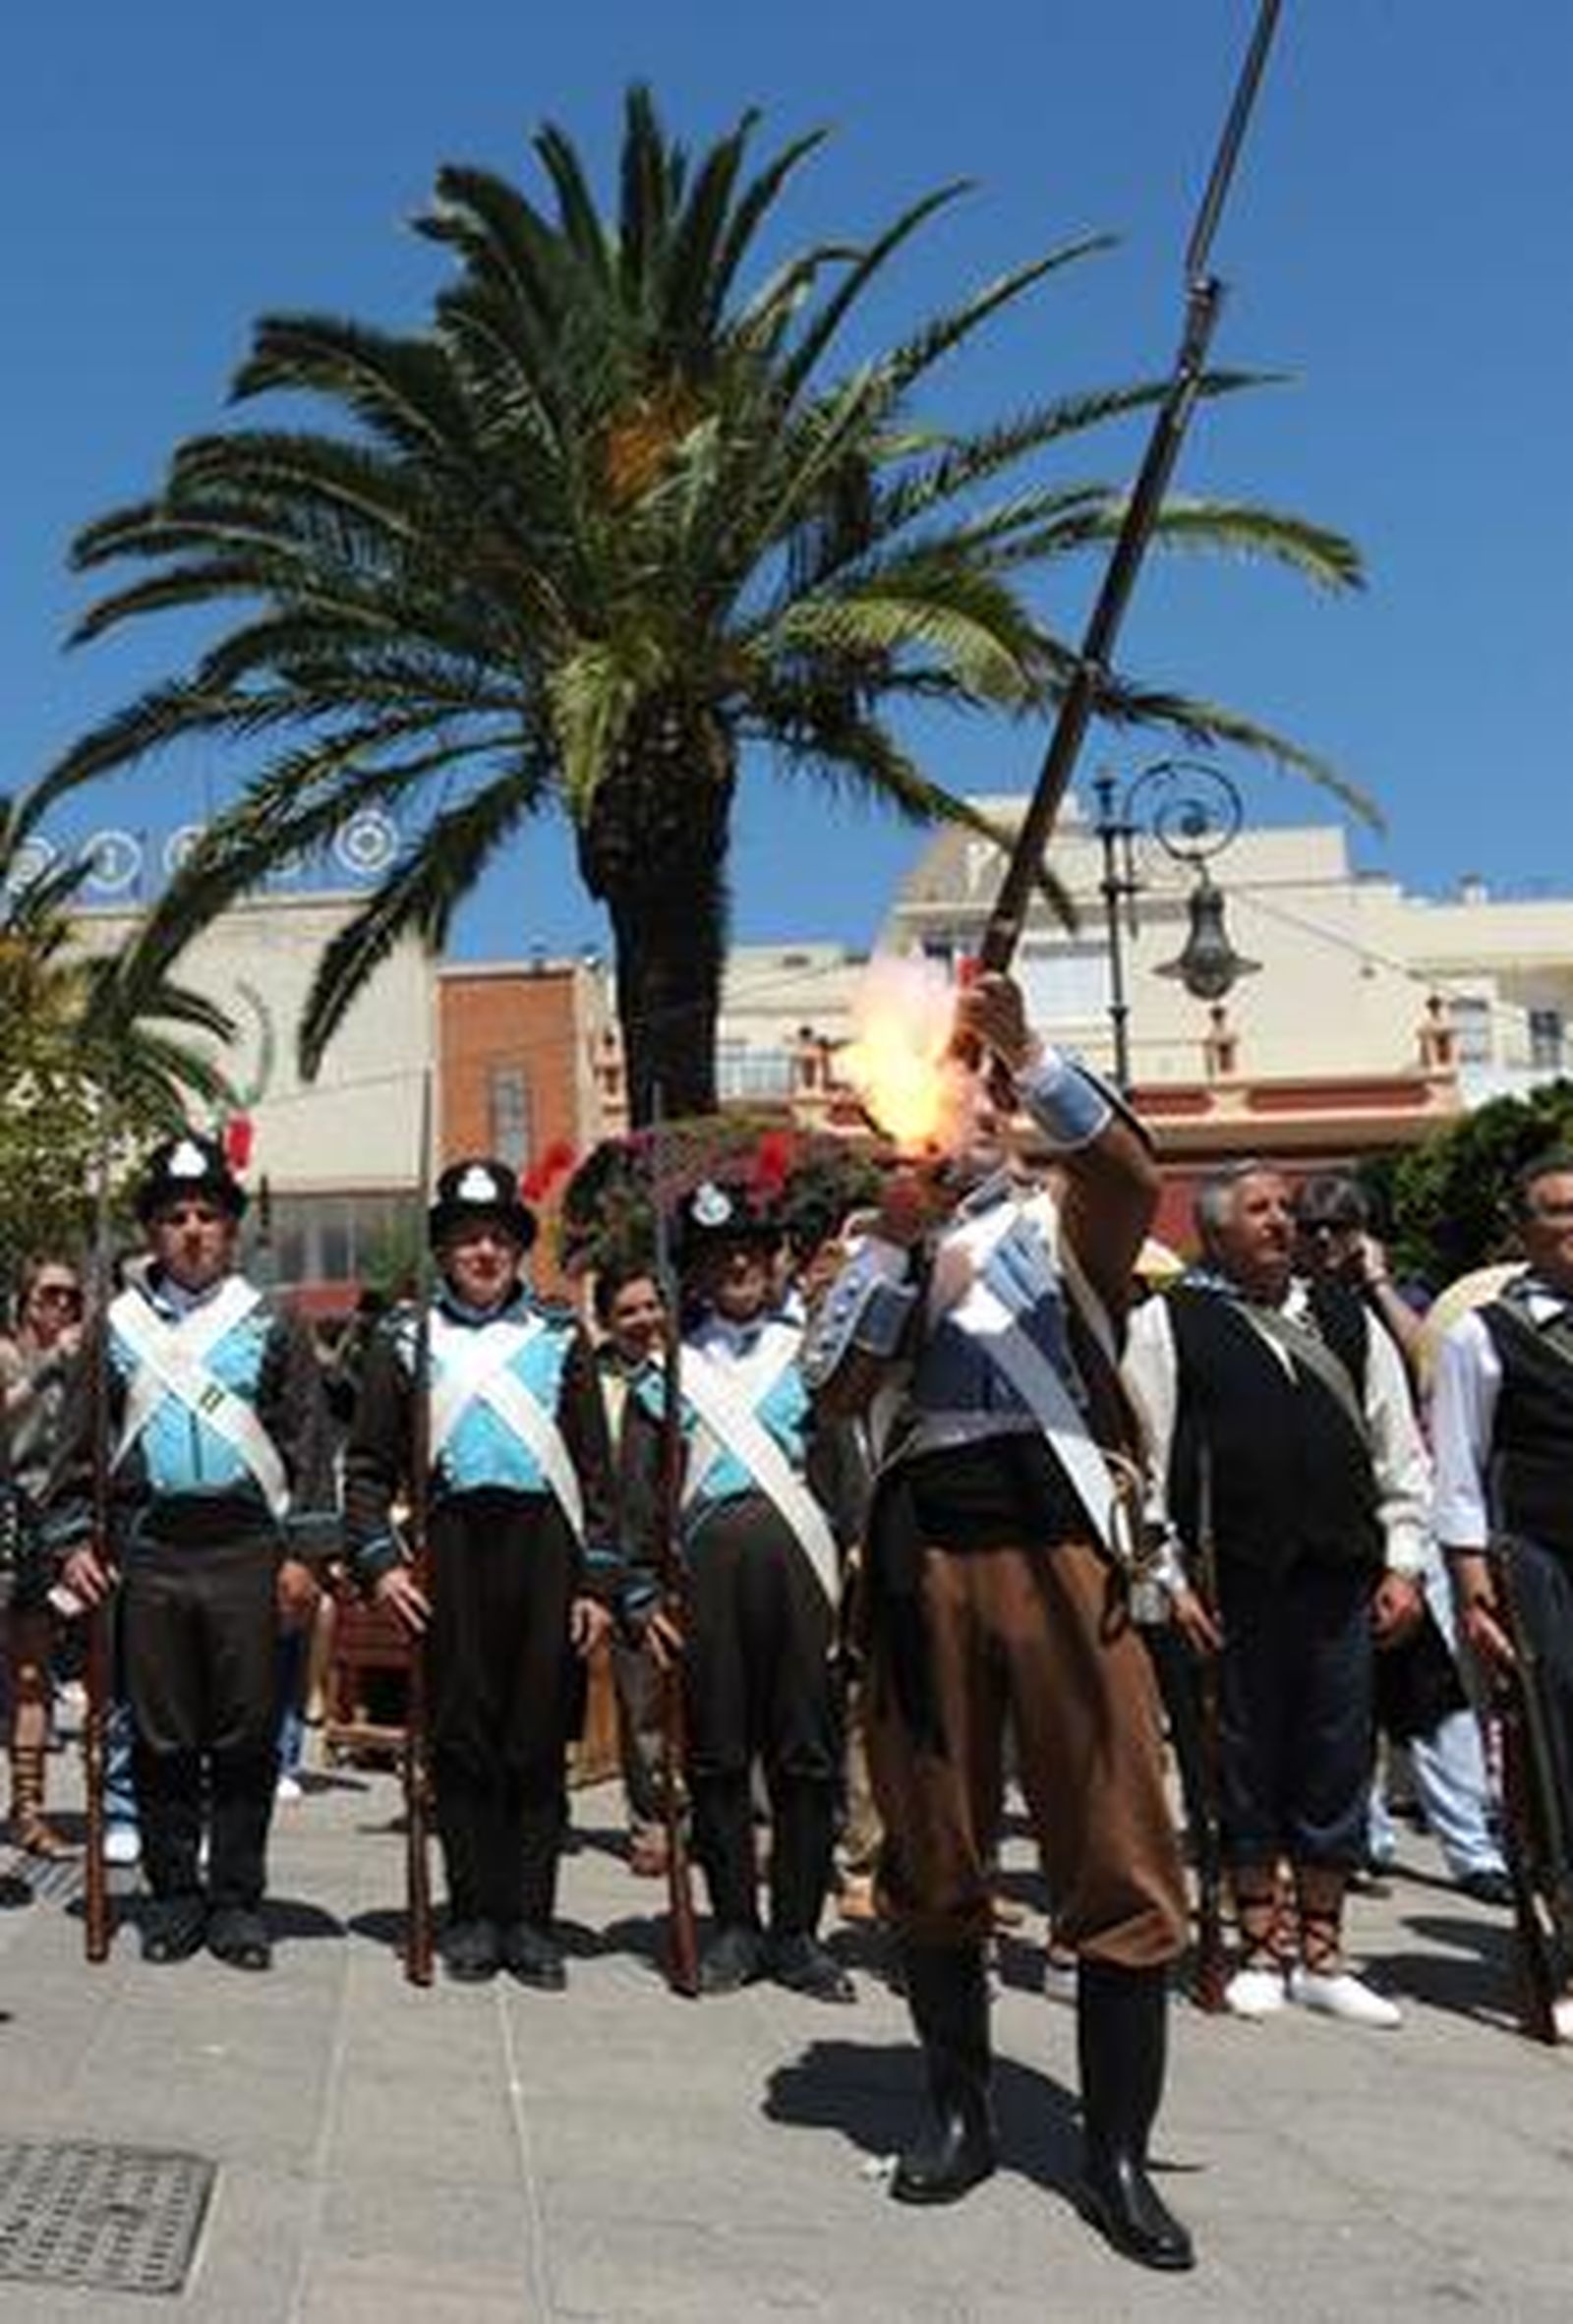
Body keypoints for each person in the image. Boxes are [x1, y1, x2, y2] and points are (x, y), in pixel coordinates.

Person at [804, 972, 1194, 2273]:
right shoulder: (877, 1243)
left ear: (1005, 1109)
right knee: (932, 1845)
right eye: (944, 1089)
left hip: (1068, 1550)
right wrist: (896, 1245)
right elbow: (835, 1388)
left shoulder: (1059, 1220)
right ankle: (960, 2115)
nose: (959, 1111)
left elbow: (1131, 1175)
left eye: (979, 1093)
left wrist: (1029, 1049)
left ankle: (1116, 2155)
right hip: (925, 1563)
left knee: (1119, 1849)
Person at [1126, 1160, 1429, 2031]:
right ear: (1215, 1232)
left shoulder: (1348, 1318)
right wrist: (1166, 1578)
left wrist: (1403, 1561)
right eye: (1258, 1210)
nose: (1280, 1223)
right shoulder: (1167, 1322)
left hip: (1340, 1580)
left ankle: (1323, 1954)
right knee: (1243, 1760)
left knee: (1337, 1759)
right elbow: (1145, 1463)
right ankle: (1259, 1944)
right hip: (1230, 1585)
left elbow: (1396, 1448)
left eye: (1285, 1209)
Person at [49, 1133, 334, 1969]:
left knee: (247, 1732)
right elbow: (78, 1450)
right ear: (152, 1232)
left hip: (247, 1544)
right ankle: (173, 1896)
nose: (193, 1231)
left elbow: (308, 1441)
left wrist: (306, 1556)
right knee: (162, 1734)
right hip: (151, 1548)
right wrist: (73, 1543)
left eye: (208, 1215)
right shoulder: (116, 1326)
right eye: (176, 1217)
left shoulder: (272, 1319)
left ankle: (238, 1900)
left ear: (232, 1229)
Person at [343, 1157, 614, 1989]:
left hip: (543, 1547)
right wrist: (382, 1565)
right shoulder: (405, 1339)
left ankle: (528, 1919)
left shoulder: (558, 1335)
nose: (485, 1253)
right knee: (460, 1739)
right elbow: (368, 1468)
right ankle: (470, 1914)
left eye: (499, 1237)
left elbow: (596, 1474)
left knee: (535, 1738)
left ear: (519, 1248)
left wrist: (597, 1583)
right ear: (443, 1252)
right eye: (468, 1240)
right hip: (450, 1546)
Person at [627, 1173, 854, 2004]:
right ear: (693, 1272)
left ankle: (797, 1932)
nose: (737, 1267)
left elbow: (845, 1473)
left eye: (750, 1251)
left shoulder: (815, 1359)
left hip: (804, 1578)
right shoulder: (665, 1375)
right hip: (708, 1582)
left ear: (775, 1258)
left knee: (807, 1758)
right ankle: (732, 1926)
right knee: (717, 1757)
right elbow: (638, 1496)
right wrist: (641, 1594)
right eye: (719, 1255)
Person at [1291, 1176, 1510, 1910]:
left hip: (1409, 1512)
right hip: (1328, 1522)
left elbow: (1429, 1365)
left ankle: (1471, 1846)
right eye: (1312, 1226)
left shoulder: (1404, 1297)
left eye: (1340, 1226)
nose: (1325, 1239)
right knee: (1344, 1697)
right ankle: (1363, 1836)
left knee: (1437, 1693)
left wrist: (1378, 1285)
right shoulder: (1286, 1305)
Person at [1430, 1148, 1573, 2036]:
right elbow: (1458, 1469)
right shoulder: (1483, 1334)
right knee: (1553, 1747)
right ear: (1523, 1231)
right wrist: (1474, 1587)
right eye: (1558, 1211)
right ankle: (1558, 1944)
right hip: (1535, 1558)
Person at [0, 1256, 86, 1856]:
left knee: (33, 1673)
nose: (61, 1305)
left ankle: (27, 1810)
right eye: (50, 1294)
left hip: (44, 1527)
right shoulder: (8, 1355)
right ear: (25, 1302)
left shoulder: (80, 1366)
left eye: (71, 1297)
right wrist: (50, 1366)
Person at [591, 1261, 670, 1877]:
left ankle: (743, 1821)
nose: (644, 1320)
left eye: (651, 1306)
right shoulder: (593, 1381)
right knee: (642, 1703)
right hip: (625, 1560)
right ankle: (652, 1822)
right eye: (628, 1312)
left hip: (699, 1555)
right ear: (606, 1322)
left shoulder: (695, 1370)